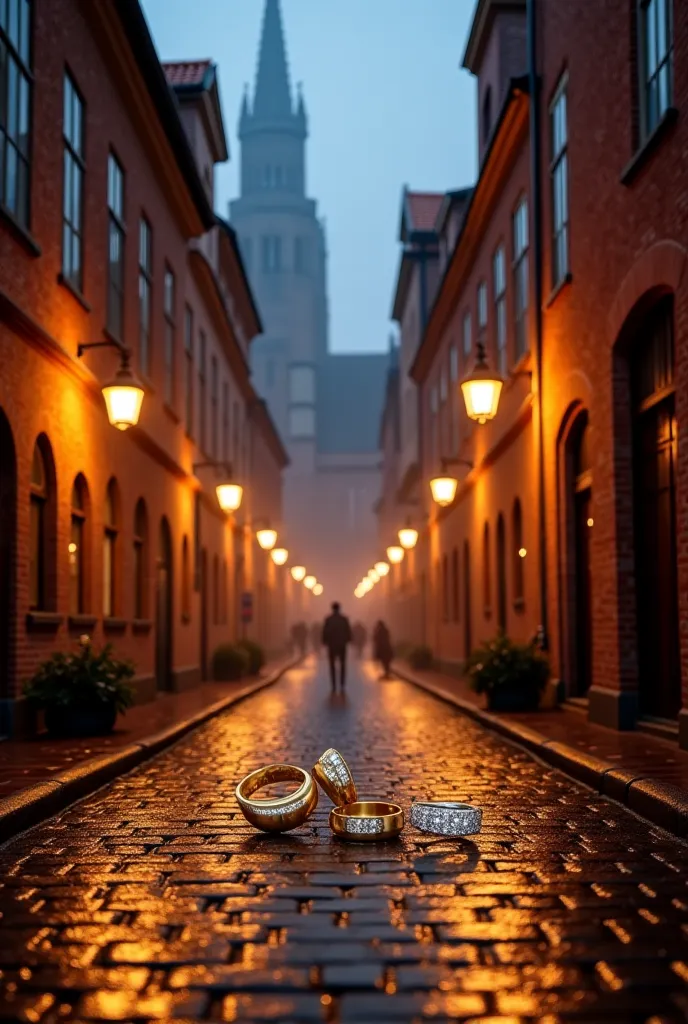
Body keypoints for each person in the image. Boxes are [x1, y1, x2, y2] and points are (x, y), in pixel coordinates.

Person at [322, 602, 353, 692]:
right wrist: (348, 640)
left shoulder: (328, 619)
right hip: (342, 645)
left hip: (332, 645)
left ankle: (333, 684)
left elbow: (325, 632)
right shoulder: (344, 619)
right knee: (343, 664)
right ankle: (342, 684)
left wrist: (325, 641)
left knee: (332, 665)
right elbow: (348, 631)